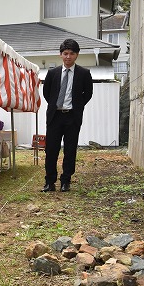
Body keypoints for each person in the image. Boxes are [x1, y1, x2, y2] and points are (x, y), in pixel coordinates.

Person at [41, 38, 93, 193]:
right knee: (51, 150)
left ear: (76, 55)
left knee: (70, 150)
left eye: (71, 53)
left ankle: (66, 181)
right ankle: (50, 182)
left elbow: (88, 94)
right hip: (55, 117)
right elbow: (47, 93)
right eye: (65, 53)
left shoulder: (84, 73)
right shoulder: (52, 73)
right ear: (60, 55)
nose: (68, 57)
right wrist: (56, 105)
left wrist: (76, 107)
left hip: (72, 117)